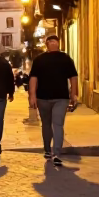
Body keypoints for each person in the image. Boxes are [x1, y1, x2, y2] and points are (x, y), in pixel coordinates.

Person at [28, 34, 78, 166]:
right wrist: (32, 95)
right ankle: (47, 149)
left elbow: (73, 77)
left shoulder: (66, 58)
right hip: (42, 98)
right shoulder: (39, 60)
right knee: (46, 124)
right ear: (47, 44)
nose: (53, 43)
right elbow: (33, 78)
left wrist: (74, 94)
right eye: (51, 42)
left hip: (61, 98)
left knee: (57, 124)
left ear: (58, 43)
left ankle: (56, 153)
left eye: (55, 41)